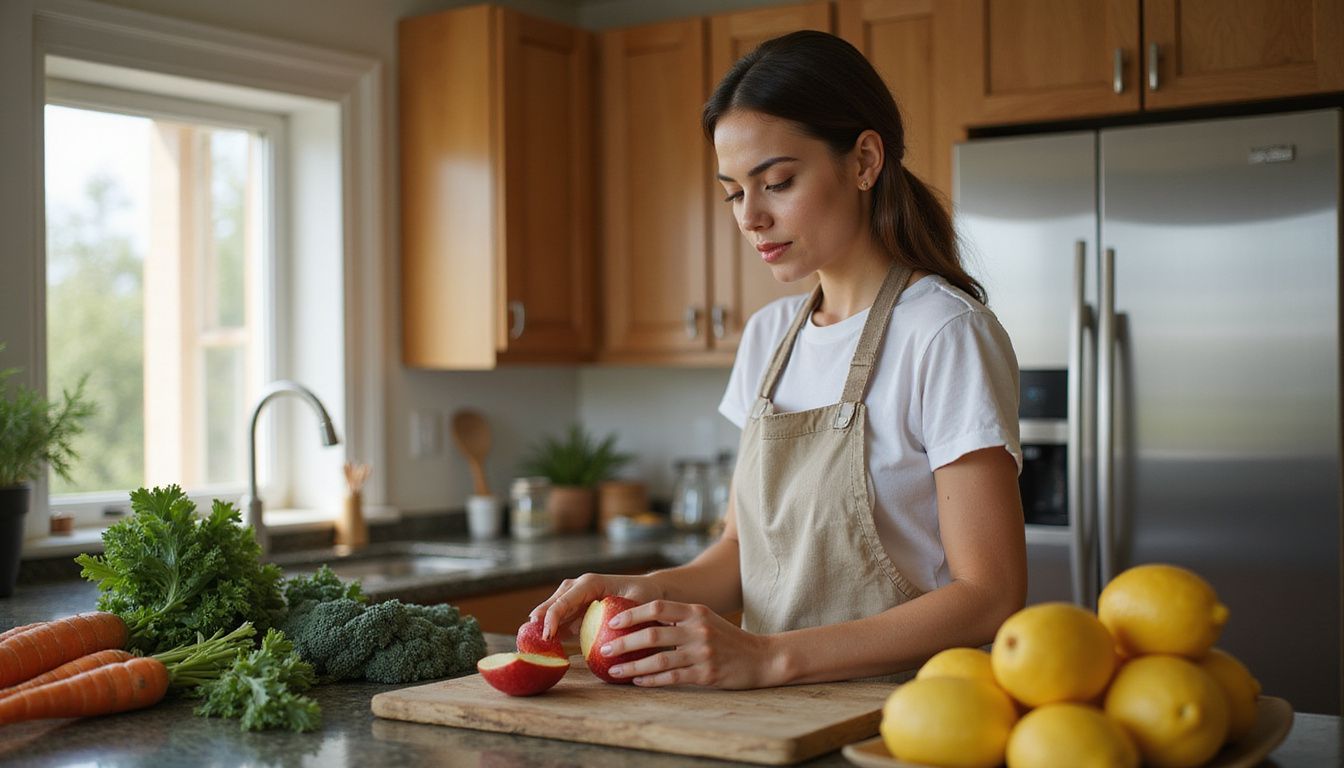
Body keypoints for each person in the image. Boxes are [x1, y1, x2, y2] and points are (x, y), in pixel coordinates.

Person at [530, 30, 1026, 689]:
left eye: (777, 183)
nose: (750, 218)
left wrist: (769, 658)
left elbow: (990, 595)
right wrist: (630, 587)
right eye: (734, 192)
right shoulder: (769, 337)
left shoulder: (944, 332)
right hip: (770, 721)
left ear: (864, 161)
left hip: (909, 721)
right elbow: (741, 555)